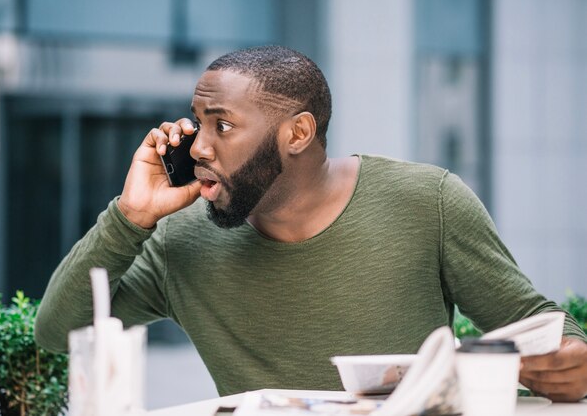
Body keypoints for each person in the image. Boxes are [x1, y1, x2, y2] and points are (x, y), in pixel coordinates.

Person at [34, 46, 587, 402]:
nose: (198, 146)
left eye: (222, 125)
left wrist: (572, 353)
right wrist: (128, 218)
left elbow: (532, 320)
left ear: (297, 134)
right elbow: (58, 332)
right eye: (197, 123)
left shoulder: (427, 201)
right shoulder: (179, 238)